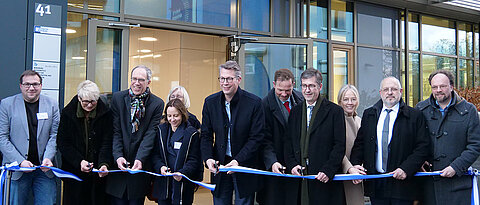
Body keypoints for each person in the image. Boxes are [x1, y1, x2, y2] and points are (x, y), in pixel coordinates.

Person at [349, 76, 430, 205]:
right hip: (377, 184)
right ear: (381, 93)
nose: (390, 92)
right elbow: (360, 144)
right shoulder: (369, 114)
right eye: (386, 89)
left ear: (401, 91)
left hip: (403, 185)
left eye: (394, 89)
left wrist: (406, 169)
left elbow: (423, 147)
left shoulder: (414, 116)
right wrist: (355, 165)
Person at [201, 60, 265, 205]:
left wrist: (238, 161)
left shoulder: (254, 103)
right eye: (222, 78)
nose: (225, 82)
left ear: (239, 79)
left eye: (229, 78)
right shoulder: (210, 102)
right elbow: (205, 135)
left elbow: (256, 138)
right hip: (220, 166)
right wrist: (208, 159)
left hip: (244, 165)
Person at [416, 70, 480, 205]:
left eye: (442, 86)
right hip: (428, 186)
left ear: (451, 86)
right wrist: (419, 161)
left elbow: (475, 145)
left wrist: (456, 167)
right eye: (434, 87)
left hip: (458, 186)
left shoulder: (469, 111)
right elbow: (414, 141)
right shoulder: (421, 109)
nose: (438, 90)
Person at [284, 68, 346, 205]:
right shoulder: (295, 111)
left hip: (324, 179)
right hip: (300, 179)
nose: (307, 90)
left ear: (320, 86)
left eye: (311, 86)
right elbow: (288, 142)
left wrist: (328, 170)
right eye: (304, 86)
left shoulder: (335, 112)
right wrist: (292, 165)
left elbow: (339, 145)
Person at [106, 65, 165, 204]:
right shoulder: (118, 98)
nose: (136, 83)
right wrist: (118, 156)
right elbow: (116, 131)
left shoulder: (157, 103)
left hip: (140, 168)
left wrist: (140, 159)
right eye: (134, 79)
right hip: (118, 167)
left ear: (148, 82)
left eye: (141, 80)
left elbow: (150, 134)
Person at [0, 70, 59, 204]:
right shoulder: (7, 105)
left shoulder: (52, 104)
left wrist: (47, 158)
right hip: (17, 169)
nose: (31, 88)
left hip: (44, 169)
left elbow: (55, 135)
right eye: (27, 84)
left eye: (35, 84)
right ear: (20, 86)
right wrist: (20, 161)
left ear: (41, 85)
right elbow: (2, 138)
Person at [57, 80, 113, 205]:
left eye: (93, 102)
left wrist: (104, 163)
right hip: (74, 172)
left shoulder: (106, 113)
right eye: (86, 102)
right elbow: (63, 142)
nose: (89, 105)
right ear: (79, 98)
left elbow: (107, 141)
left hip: (97, 173)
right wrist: (79, 161)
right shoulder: (67, 114)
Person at [257, 68, 303, 205]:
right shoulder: (263, 105)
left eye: (287, 90)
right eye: (280, 90)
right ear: (273, 84)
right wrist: (272, 162)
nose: (284, 94)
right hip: (276, 165)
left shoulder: (301, 100)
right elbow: (264, 139)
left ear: (293, 84)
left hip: (297, 165)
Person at [151, 99, 202, 205]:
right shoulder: (161, 130)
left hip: (182, 184)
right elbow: (155, 155)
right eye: (169, 116)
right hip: (165, 183)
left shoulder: (191, 133)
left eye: (176, 116)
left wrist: (183, 173)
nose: (172, 119)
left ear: (182, 114)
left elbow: (194, 160)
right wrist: (160, 167)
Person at [337, 84, 364, 205]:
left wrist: (359, 166)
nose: (350, 103)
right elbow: (335, 149)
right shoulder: (335, 121)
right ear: (340, 101)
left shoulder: (360, 120)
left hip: (357, 175)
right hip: (341, 173)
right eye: (346, 99)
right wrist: (349, 168)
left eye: (353, 99)